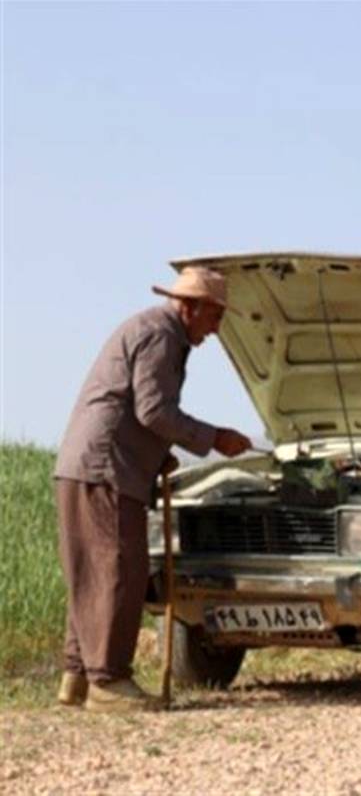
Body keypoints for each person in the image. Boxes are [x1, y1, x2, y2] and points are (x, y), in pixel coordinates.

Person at [53, 267, 253, 712]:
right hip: (108, 468)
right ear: (191, 307)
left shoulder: (150, 329)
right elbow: (154, 410)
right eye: (215, 317)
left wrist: (156, 454)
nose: (216, 330)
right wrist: (214, 437)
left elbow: (136, 409)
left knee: (92, 572)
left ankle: (78, 676)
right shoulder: (162, 336)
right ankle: (108, 680)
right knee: (119, 569)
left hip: (85, 465)